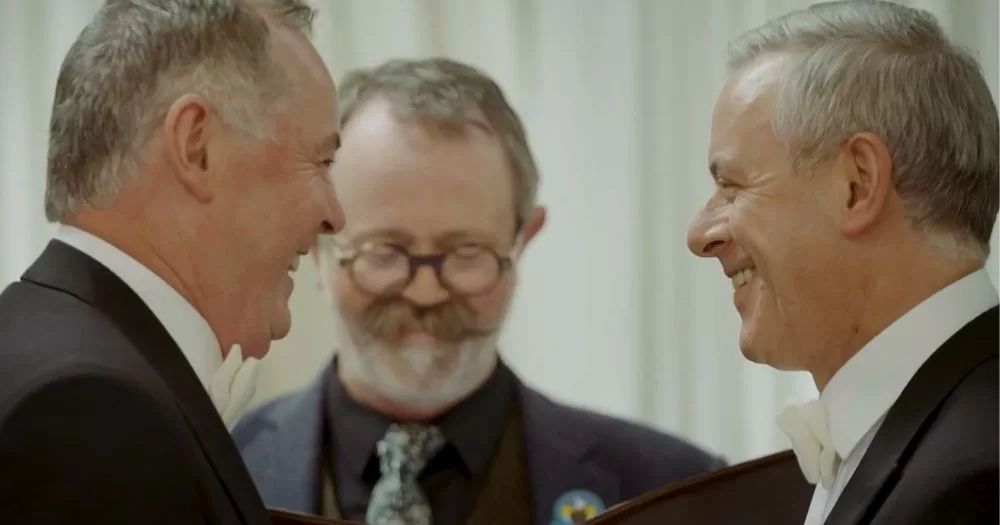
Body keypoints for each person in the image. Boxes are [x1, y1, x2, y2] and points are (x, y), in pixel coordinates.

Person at [233, 57, 726, 525]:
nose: (425, 293)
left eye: (467, 253)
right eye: (384, 252)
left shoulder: (675, 492)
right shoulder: (215, 470)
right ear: (315, 243)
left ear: (523, 239)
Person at [0, 0, 344, 523]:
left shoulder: (50, 348)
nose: (335, 216)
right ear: (197, 147)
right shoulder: (91, 409)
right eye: (319, 161)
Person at [686, 1, 998, 524]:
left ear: (857, 184)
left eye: (732, 186)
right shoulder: (937, 438)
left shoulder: (977, 481)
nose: (700, 235)